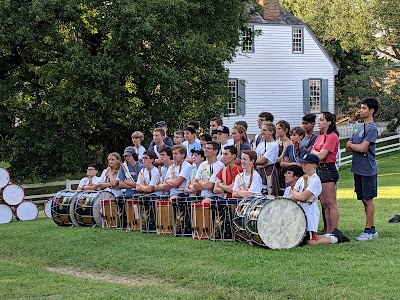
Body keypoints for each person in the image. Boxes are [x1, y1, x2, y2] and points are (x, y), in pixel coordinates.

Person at [346, 97, 380, 241]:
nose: (361, 110)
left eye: (364, 108)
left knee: (368, 200)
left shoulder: (372, 128)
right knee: (363, 200)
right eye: (360, 107)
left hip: (368, 169)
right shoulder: (359, 127)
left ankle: (368, 231)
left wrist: (354, 146)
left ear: (371, 110)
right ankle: (371, 229)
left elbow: (362, 147)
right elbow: (349, 147)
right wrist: (354, 146)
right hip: (358, 169)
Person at [290, 153, 338, 245]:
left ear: (313, 165)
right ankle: (327, 235)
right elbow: (292, 195)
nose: (303, 165)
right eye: (302, 163)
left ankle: (333, 238)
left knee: (310, 241)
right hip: (301, 208)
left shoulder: (315, 180)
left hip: (310, 210)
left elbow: (304, 197)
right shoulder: (301, 179)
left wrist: (296, 194)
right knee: (299, 238)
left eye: (306, 163)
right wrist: (297, 194)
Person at [311, 112, 340, 234]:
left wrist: (317, 153)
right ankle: (328, 229)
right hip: (319, 169)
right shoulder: (320, 137)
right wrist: (317, 153)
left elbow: (322, 155)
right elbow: (313, 151)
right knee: (324, 203)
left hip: (328, 169)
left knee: (331, 203)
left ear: (329, 122)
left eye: (322, 120)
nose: (319, 122)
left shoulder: (332, 137)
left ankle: (334, 230)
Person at [255, 122, 279, 196]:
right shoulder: (260, 144)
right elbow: (254, 157)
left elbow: (263, 160)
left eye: (265, 130)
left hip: (268, 172)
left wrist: (254, 161)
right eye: (262, 130)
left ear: (271, 132)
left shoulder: (274, 145)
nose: (262, 132)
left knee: (269, 193)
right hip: (258, 171)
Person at [276, 120, 292, 196]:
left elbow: (281, 159)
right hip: (276, 170)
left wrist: (270, 158)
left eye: (279, 129)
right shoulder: (276, 141)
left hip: (283, 170)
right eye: (276, 129)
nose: (277, 131)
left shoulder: (288, 142)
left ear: (286, 130)